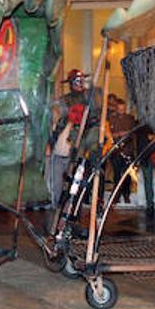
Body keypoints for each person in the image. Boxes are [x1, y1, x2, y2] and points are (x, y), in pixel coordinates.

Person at [46, 69, 97, 208]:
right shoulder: (65, 100)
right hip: (71, 140)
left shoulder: (90, 98)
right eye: (76, 81)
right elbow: (60, 123)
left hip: (87, 137)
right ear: (71, 83)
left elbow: (95, 118)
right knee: (69, 174)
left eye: (81, 81)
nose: (79, 84)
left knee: (93, 168)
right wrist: (51, 142)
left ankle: (90, 200)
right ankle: (64, 203)